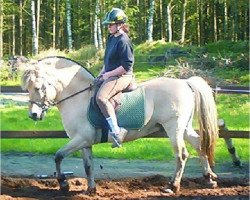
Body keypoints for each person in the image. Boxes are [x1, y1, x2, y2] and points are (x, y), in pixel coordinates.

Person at [95, 8, 134, 148]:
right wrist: (101, 74)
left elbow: (126, 66)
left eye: (110, 24)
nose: (108, 27)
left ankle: (116, 132)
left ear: (119, 24)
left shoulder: (124, 41)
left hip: (123, 76)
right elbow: (108, 62)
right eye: (108, 24)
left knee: (101, 98)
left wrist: (108, 75)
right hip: (111, 74)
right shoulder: (112, 38)